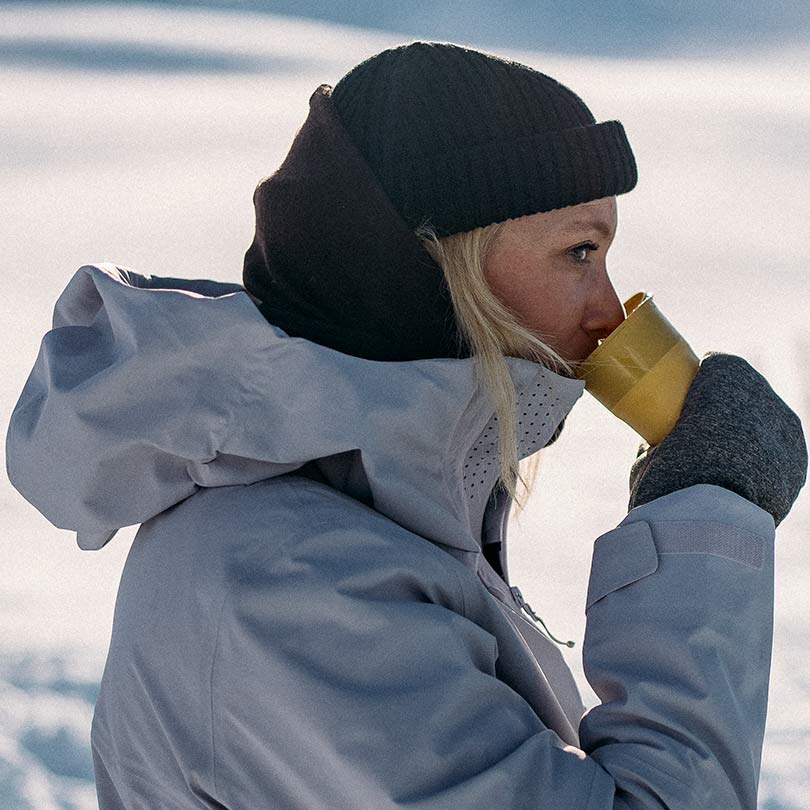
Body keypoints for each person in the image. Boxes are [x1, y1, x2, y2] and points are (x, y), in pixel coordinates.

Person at [5, 40, 807, 810]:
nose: (607, 310)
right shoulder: (286, 586)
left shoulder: (367, 521)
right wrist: (708, 510)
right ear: (437, 266)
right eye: (578, 253)